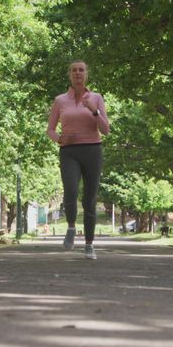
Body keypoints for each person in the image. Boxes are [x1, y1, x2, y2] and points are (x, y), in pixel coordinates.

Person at [46, 60, 110, 260]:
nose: (78, 73)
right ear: (70, 75)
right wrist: (59, 138)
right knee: (71, 191)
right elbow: (50, 129)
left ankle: (89, 244)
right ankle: (71, 227)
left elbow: (106, 130)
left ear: (86, 74)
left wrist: (94, 110)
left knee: (89, 199)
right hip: (69, 152)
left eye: (81, 70)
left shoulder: (96, 98)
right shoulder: (60, 100)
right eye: (74, 70)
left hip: (92, 150)